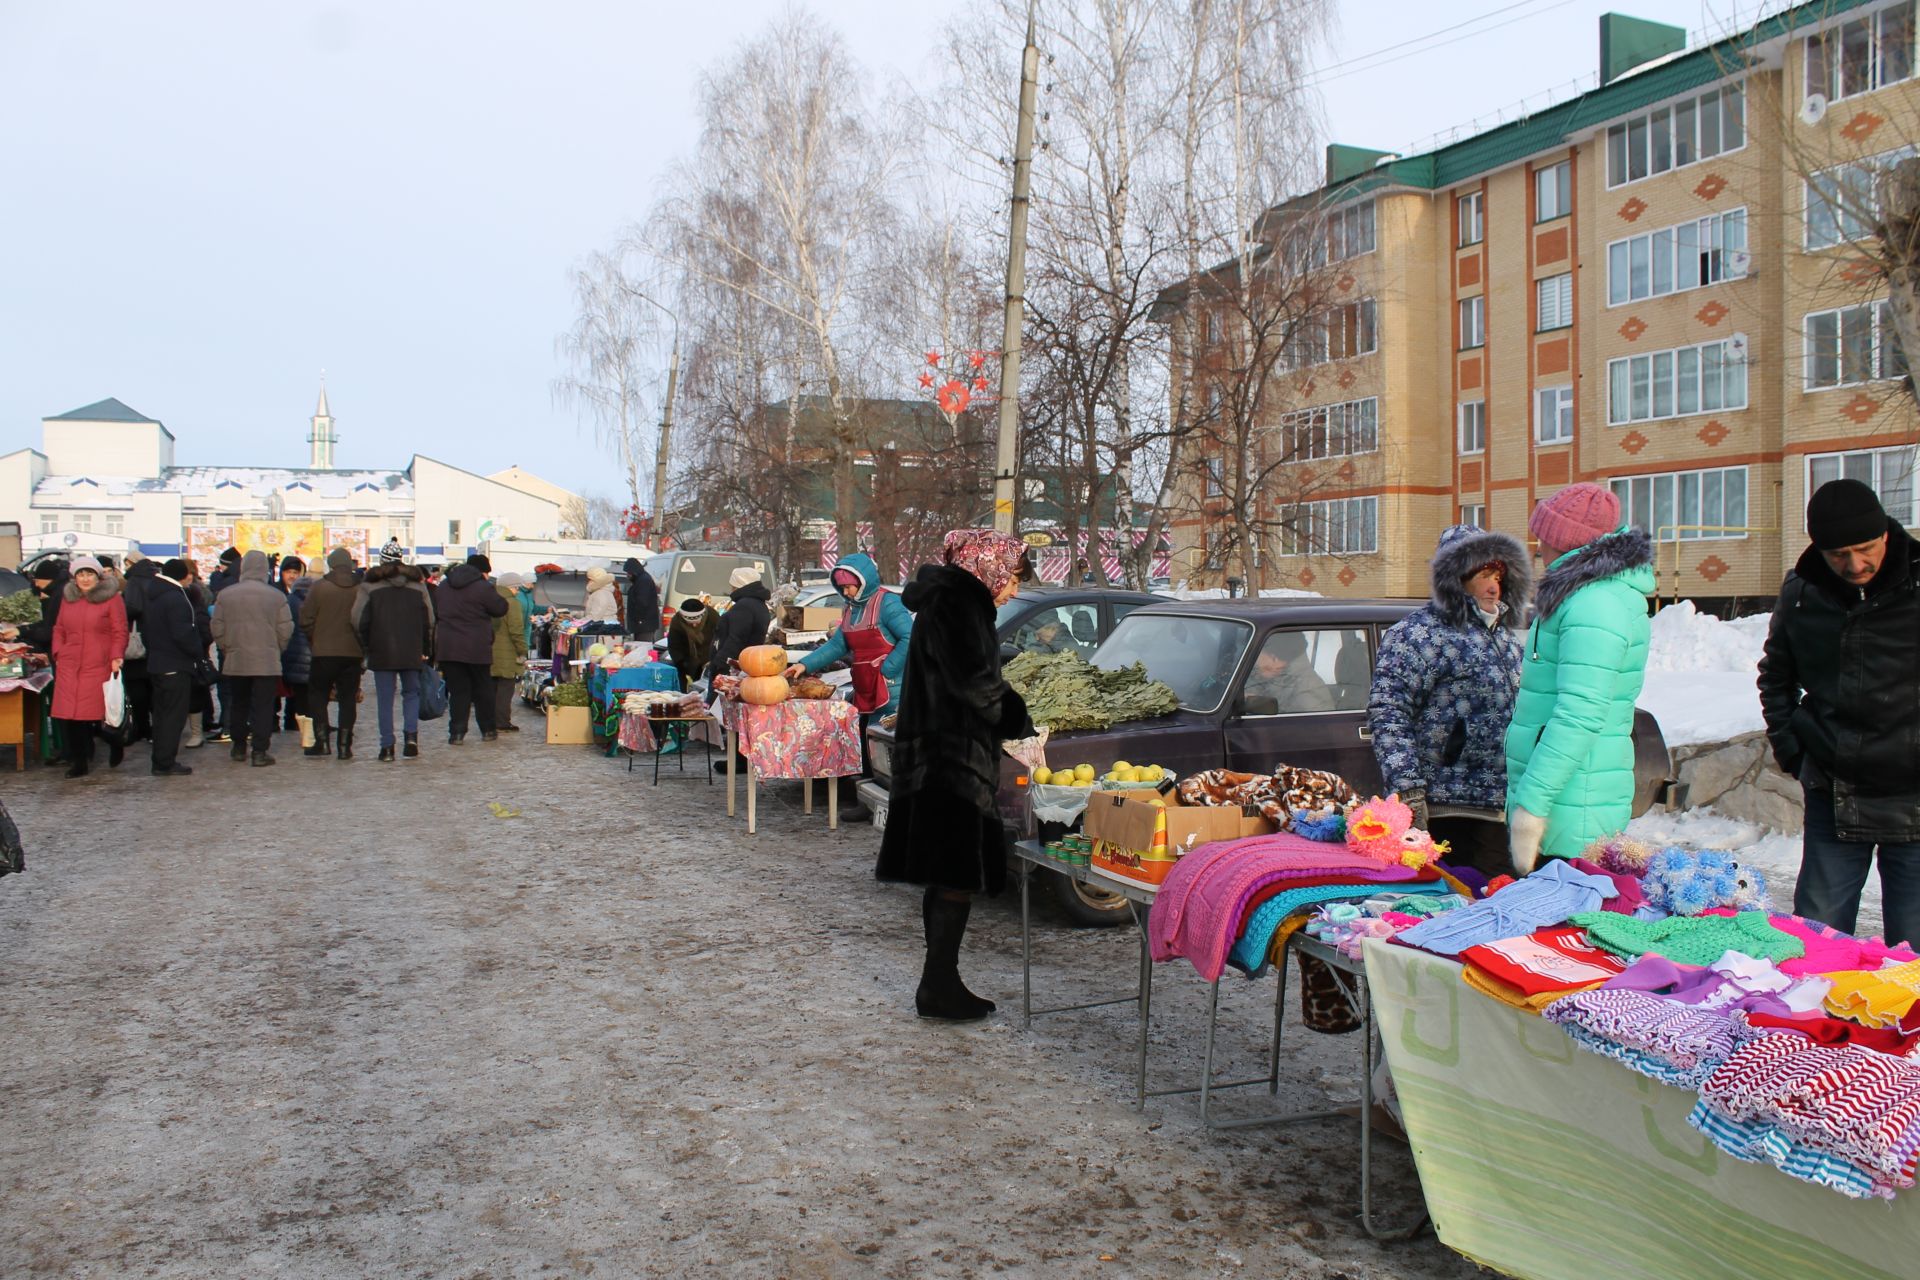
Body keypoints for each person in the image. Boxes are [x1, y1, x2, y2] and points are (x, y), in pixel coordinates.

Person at [879, 530, 1035, 1020]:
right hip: (951, 762)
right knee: (953, 875)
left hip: (939, 756)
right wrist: (1018, 717)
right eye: (1011, 579)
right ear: (989, 567)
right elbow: (975, 683)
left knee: (944, 874)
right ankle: (939, 986)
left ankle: (940, 980)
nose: (1012, 591)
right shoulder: (959, 604)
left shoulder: (948, 600)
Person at [1759, 478, 1920, 948]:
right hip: (1835, 790)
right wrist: (1793, 751)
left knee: (1912, 958)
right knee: (1816, 945)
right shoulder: (1802, 592)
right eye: (1838, 554)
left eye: (1865, 548)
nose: (1855, 565)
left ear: (1886, 534)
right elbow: (1776, 677)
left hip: (1915, 798)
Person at [1505, 483, 1655, 872]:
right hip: (1571, 798)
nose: (1538, 549)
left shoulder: (1593, 604)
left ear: (1568, 542)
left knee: (1559, 926)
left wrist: (1532, 807)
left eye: (1545, 538)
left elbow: (1580, 713)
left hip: (1573, 808)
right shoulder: (1584, 596)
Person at [1368, 524, 1532, 876]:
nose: (1494, 586)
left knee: (1498, 901)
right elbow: (1389, 714)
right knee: (1453, 904)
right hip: (1444, 809)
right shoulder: (1416, 634)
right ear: (1456, 578)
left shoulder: (1504, 638)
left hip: (1497, 804)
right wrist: (1408, 791)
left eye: (1498, 576)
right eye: (1484, 574)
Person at [787, 553, 912, 821]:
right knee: (866, 742)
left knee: (890, 748)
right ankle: (867, 802)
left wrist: (888, 669)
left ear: (863, 580)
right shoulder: (851, 609)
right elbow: (837, 646)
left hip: (893, 689)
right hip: (866, 686)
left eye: (849, 586)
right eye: (842, 587)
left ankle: (896, 806)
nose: (846, 591)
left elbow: (910, 637)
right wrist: (805, 665)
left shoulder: (888, 604)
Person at [209, 550, 294, 766]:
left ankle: (238, 747)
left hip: (236, 659)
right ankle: (259, 751)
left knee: (239, 703)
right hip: (266, 660)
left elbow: (217, 626)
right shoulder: (276, 596)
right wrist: (276, 649)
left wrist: (227, 648)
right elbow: (286, 629)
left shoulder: (226, 595)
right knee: (263, 706)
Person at [50, 555, 129, 778]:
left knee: (97, 714)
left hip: (98, 662)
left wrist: (116, 656)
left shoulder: (112, 599)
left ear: (98, 576)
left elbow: (119, 630)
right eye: (80, 575)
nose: (85, 579)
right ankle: (79, 762)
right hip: (69, 663)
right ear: (74, 578)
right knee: (70, 716)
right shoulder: (68, 599)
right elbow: (59, 628)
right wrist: (58, 651)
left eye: (89, 574)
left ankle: (115, 742)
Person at [356, 544, 435, 761]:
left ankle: (387, 746)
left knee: (385, 699)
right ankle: (411, 738)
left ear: (381, 561)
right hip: (412, 648)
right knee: (411, 694)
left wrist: (366, 644)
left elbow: (358, 619)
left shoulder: (370, 586)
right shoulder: (418, 587)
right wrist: (425, 648)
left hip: (381, 648)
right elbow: (429, 620)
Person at [142, 558, 212, 776]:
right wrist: (197, 653)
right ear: (184, 575)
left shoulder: (154, 595)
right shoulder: (175, 598)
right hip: (175, 664)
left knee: (162, 714)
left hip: (157, 662)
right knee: (173, 716)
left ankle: (160, 759)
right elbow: (183, 633)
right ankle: (165, 762)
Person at [434, 553, 508, 744]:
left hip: (449, 647)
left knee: (458, 691)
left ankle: (457, 732)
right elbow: (500, 608)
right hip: (477, 647)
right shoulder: (483, 587)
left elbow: (436, 610)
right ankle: (488, 729)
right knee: (483, 689)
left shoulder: (443, 586)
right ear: (482, 572)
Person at [706, 567, 773, 774]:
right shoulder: (758, 604)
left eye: (733, 583)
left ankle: (739, 761)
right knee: (741, 717)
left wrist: (719, 663)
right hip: (748, 665)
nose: (731, 587)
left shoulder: (744, 606)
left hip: (736, 667)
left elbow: (735, 639)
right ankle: (739, 759)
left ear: (740, 583)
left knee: (735, 717)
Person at [300, 547, 365, 760]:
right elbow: (366, 622)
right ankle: (345, 746)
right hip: (352, 652)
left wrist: (315, 638)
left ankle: (322, 742)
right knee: (348, 698)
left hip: (324, 652)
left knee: (318, 695)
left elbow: (305, 620)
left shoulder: (319, 588)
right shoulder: (361, 589)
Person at [119, 551, 160, 744]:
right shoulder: (155, 577)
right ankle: (155, 729)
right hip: (155, 639)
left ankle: (141, 727)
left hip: (136, 640)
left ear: (130, 563)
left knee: (136, 688)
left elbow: (133, 607)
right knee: (153, 688)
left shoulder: (134, 580)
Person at [1245, 631, 1335, 713]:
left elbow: (1322, 726)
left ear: (1274, 658)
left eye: (1258, 654)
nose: (1255, 660)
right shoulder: (1273, 675)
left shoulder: (1307, 689)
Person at [491, 572, 529, 732]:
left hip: (489, 650)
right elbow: (516, 631)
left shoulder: (490, 599)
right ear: (510, 587)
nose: (518, 591)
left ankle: (489, 721)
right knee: (505, 689)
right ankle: (502, 722)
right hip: (507, 653)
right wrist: (523, 650)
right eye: (516, 588)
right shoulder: (512, 603)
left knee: (492, 688)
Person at [278, 556, 313, 734]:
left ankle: (293, 720)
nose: (292, 576)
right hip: (283, 647)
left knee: (298, 687)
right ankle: (275, 720)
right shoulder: (277, 592)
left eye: (295, 572)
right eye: (288, 572)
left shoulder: (304, 593)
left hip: (298, 649)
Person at [666, 598, 716, 689]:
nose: (694, 626)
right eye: (690, 623)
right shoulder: (677, 621)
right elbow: (674, 645)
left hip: (708, 660)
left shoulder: (713, 616)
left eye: (697, 622)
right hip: (687, 660)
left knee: (708, 689)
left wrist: (713, 659)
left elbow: (720, 637)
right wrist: (681, 663)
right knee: (685, 690)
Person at [623, 557, 661, 642]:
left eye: (628, 573)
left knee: (642, 647)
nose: (627, 575)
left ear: (634, 571)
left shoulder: (643, 581)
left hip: (644, 624)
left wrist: (637, 619)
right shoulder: (641, 580)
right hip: (643, 624)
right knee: (641, 646)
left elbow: (642, 603)